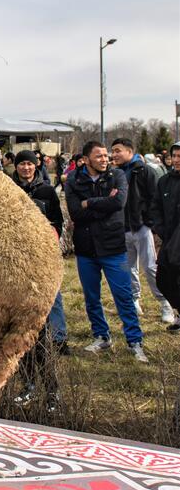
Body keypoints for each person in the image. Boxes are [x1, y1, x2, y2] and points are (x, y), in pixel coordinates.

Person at [65, 141, 146, 362]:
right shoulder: (73, 179)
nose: (105, 159)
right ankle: (101, 335)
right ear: (86, 160)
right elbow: (75, 213)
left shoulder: (117, 175)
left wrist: (88, 203)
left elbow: (118, 203)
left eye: (105, 155)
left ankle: (135, 340)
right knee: (92, 297)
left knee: (124, 296)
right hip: (86, 248)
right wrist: (103, 203)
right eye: (99, 156)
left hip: (113, 247)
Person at [10, 150, 67, 410]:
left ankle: (52, 390)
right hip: (16, 264)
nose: (26, 168)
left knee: (40, 333)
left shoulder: (46, 191)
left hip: (40, 264)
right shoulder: (8, 189)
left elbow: (58, 223)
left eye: (29, 164)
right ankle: (28, 384)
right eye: (22, 163)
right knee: (19, 334)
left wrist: (46, 242)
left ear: (36, 166)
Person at [110, 137, 174, 322]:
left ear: (130, 151)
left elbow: (155, 199)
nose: (114, 155)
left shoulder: (145, 171)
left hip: (141, 227)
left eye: (117, 150)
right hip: (123, 228)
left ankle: (165, 303)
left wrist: (150, 223)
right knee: (128, 268)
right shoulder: (115, 173)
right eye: (113, 151)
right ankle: (134, 300)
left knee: (150, 267)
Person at [152, 142, 180, 332]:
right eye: (174, 156)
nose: (176, 160)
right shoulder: (164, 181)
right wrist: (161, 229)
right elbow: (155, 208)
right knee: (163, 279)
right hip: (169, 240)